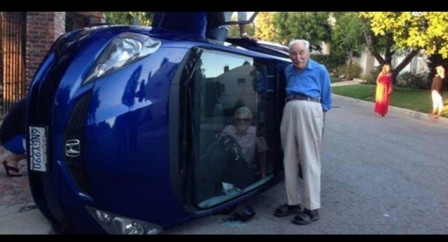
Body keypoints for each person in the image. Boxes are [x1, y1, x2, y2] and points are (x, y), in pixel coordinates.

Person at [274, 39, 332, 225]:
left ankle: (312, 208)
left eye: (301, 52)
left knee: (309, 158)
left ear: (308, 53)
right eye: (293, 53)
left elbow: (326, 99)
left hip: (311, 108)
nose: (298, 57)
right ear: (289, 55)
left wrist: (320, 123)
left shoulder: (319, 70)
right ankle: (293, 203)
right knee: (289, 157)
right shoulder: (288, 70)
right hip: (289, 108)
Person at [0, 98, 27, 177]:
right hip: (12, 139)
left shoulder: (30, 102)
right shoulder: (32, 105)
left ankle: (13, 161)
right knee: (43, 148)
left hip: (11, 137)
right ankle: (13, 158)